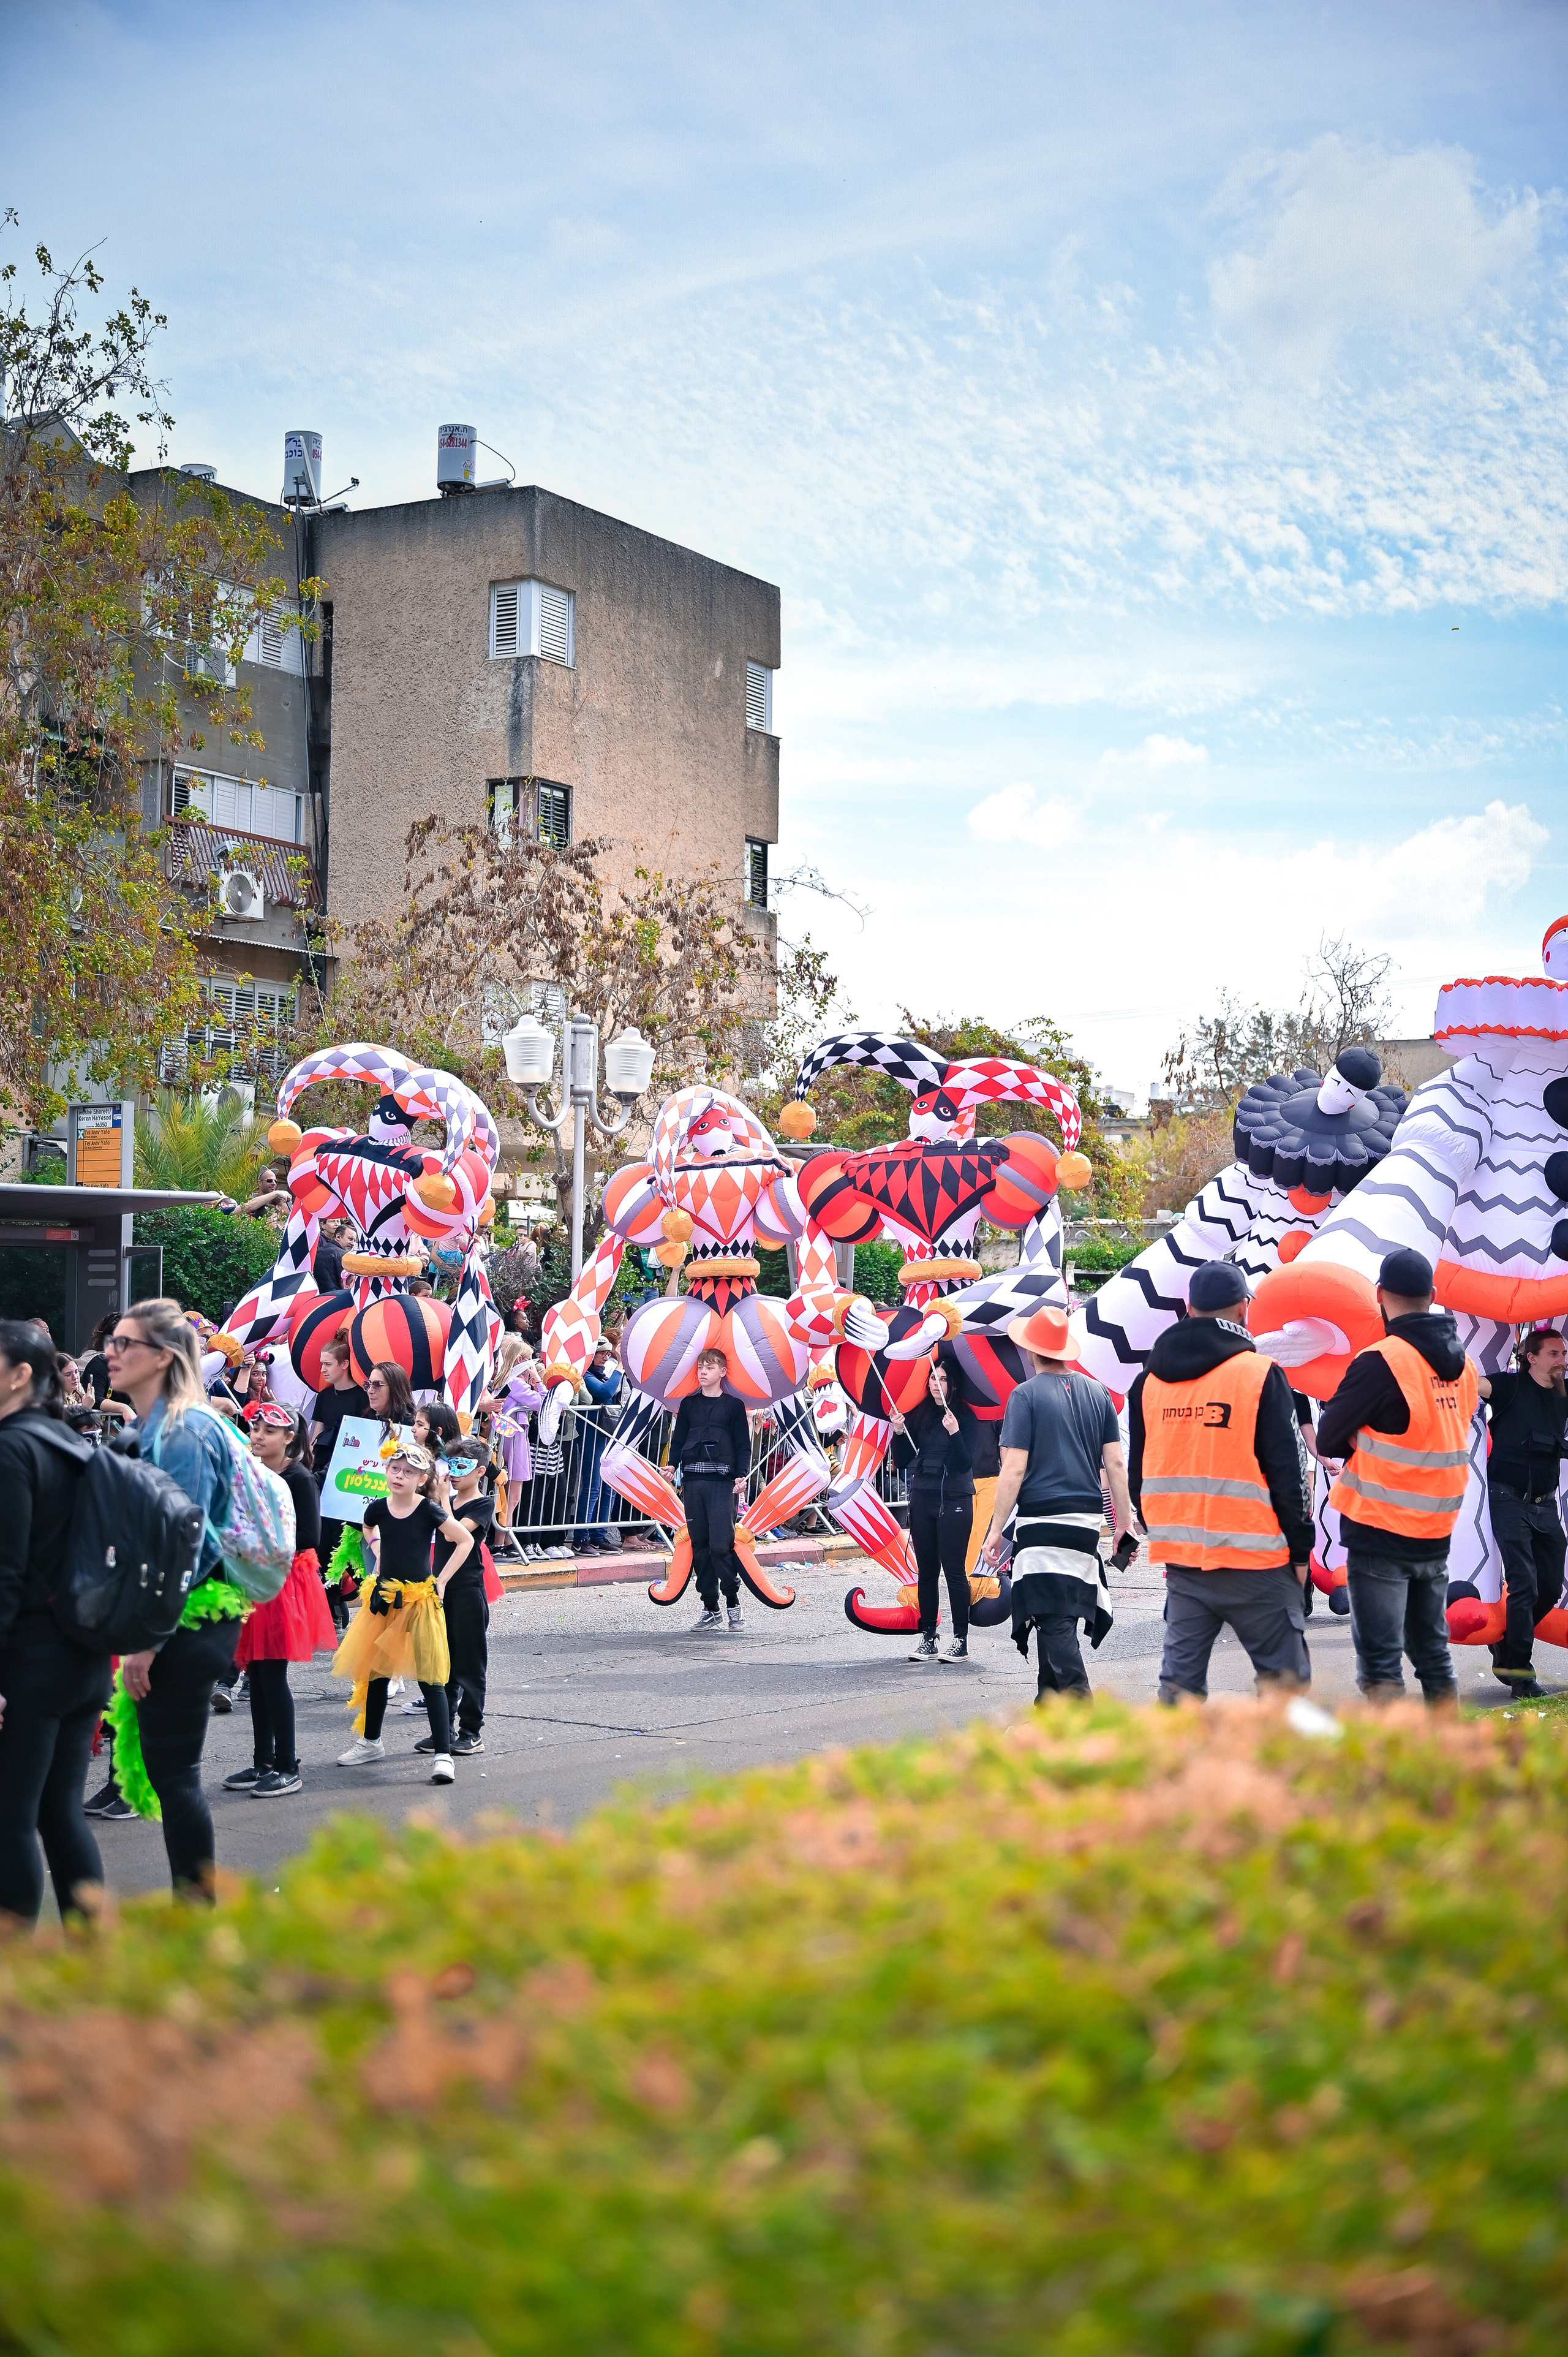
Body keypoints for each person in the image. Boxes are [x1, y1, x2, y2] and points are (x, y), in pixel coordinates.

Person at [100, 1298, 243, 1901]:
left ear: (162, 1357)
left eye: (124, 1344)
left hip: (186, 1621)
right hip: (178, 1615)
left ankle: (196, 1911)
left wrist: (149, 1640)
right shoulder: (156, 1426)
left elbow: (184, 1540)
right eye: (111, 1341)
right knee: (171, 1770)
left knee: (177, 1773)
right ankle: (194, 1904)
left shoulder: (182, 1429)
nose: (111, 1352)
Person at [1128, 1261, 1314, 1706]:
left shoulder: (1148, 1382)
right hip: (1258, 1560)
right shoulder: (1259, 1374)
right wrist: (1300, 1550)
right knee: (1287, 1687)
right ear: (1244, 1307)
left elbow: (1140, 1476)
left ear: (1189, 1307)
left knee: (1178, 1692)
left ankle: (1181, 1775)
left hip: (1185, 1562)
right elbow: (1290, 1476)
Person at [1316, 1248, 1477, 1708]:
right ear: (1433, 1295)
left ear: (1380, 1294)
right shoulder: (1463, 1365)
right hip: (1436, 1531)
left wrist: (1363, 1439)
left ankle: (1396, 1769)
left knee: (1381, 1665)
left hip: (1379, 1529)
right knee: (1433, 1654)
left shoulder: (1381, 1360)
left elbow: (1328, 1436)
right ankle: (1446, 1758)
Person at [0, 1322, 111, 1928]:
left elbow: (5, 1572)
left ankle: (14, 1979)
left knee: (10, 1818)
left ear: (21, 1374)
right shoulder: (69, 1441)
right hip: (85, 1654)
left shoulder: (11, 1447)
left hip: (30, 1661)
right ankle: (90, 1964)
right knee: (59, 1812)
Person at [980, 1304, 1133, 1700]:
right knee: (1057, 1610)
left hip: (1042, 1516)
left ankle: (1083, 1709)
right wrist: (1125, 1526)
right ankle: (1048, 1713)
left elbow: (1014, 1468)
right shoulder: (1098, 1392)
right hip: (1086, 1519)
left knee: (1052, 1616)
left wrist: (995, 1530)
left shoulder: (1024, 1395)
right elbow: (1116, 1463)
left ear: (1031, 1351)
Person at [333, 1441, 473, 1782]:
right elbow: (368, 1529)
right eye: (395, 1469)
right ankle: (371, 1742)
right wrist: (379, 1552)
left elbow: (465, 1541)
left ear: (421, 1478)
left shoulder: (429, 1510)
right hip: (385, 1599)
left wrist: (441, 1581)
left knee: (430, 1678)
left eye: (409, 1472)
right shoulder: (377, 1509)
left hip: (420, 1602)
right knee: (377, 1674)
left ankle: (444, 1754)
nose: (399, 1476)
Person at [224, 1407, 334, 1798]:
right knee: (257, 1674)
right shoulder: (255, 1475)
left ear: (289, 1438)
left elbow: (310, 1534)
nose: (257, 1435)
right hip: (257, 1576)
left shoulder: (298, 1477)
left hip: (284, 1580)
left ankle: (287, 1766)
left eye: (269, 1431)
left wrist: (255, 1538)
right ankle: (263, 1762)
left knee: (271, 1675)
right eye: (256, 1427)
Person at [1472, 1329, 1568, 1697]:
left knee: (1550, 1585)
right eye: (1555, 1354)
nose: (1562, 1359)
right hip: (1507, 1498)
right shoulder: (1510, 1387)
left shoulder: (1563, 1394)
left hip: (1545, 1504)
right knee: (1524, 1583)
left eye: (1563, 1353)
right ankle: (1520, 1672)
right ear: (1532, 1357)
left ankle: (1508, 1645)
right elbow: (1476, 1385)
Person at [891, 1354, 981, 1662]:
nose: (936, 1385)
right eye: (932, 1379)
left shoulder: (965, 1416)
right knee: (927, 1571)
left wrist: (955, 1433)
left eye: (942, 1380)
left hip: (955, 1498)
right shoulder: (919, 1414)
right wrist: (899, 1432)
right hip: (923, 1496)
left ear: (952, 1383)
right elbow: (903, 1461)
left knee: (954, 1570)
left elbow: (965, 1463)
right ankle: (929, 1635)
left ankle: (960, 1639)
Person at [420, 1439, 496, 1756]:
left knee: (469, 1664)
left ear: (479, 1472)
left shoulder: (483, 1504)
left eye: (461, 1467)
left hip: (467, 1590)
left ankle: (471, 1731)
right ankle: (444, 1730)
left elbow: (454, 1534)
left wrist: (443, 1501)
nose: (453, 1473)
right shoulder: (444, 1500)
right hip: (440, 1589)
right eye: (450, 1465)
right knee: (442, 1662)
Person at [671, 1347, 752, 1630]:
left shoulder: (734, 1405)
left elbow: (743, 1445)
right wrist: (671, 1465)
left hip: (722, 1486)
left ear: (723, 1372)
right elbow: (679, 1440)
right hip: (693, 1484)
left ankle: (733, 1602)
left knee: (721, 1546)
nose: (703, 1372)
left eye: (709, 1367)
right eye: (700, 1367)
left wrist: (742, 1475)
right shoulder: (689, 1405)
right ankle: (710, 1608)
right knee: (700, 1547)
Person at [573, 1337, 624, 1551]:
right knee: (593, 1485)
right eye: (602, 1352)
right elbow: (604, 1393)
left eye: (609, 1353)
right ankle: (582, 1537)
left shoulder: (604, 1373)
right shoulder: (586, 1374)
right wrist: (620, 1367)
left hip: (609, 1435)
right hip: (592, 1435)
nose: (607, 1356)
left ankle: (600, 1534)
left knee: (609, 1486)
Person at [312, 1218, 346, 1296]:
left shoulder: (339, 1240)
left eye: (338, 1221)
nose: (336, 1224)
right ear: (323, 1225)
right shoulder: (318, 1240)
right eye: (332, 1221)